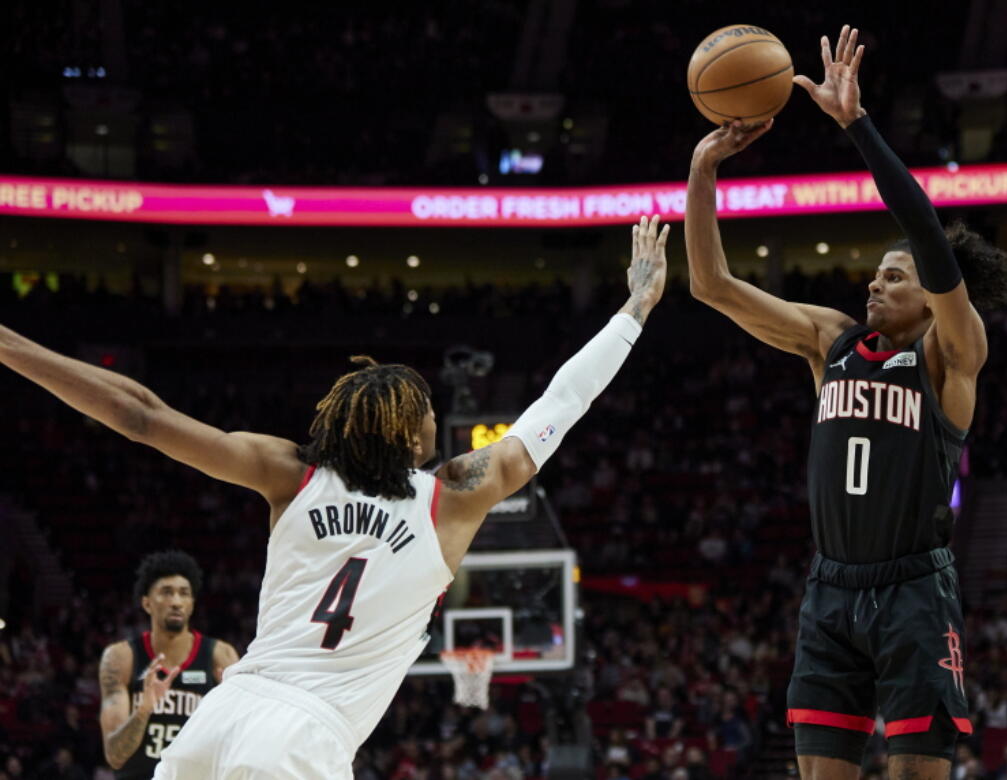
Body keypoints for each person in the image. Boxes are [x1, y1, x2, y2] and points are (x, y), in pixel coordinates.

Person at [0, 215, 671, 778]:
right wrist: (634, 310)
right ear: (412, 437)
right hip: (302, 738)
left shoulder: (290, 472)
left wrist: (8, 343)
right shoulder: (453, 496)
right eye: (430, 413)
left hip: (218, 721)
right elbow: (560, 403)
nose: (437, 422)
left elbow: (140, 415)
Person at [685, 25, 1007, 780]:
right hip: (831, 589)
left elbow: (929, 238)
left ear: (932, 300)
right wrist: (703, 169)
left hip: (913, 591)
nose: (875, 283)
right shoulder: (829, 341)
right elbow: (710, 285)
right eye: (875, 274)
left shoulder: (950, 356)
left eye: (894, 278)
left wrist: (857, 126)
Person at [98, 550, 239, 778]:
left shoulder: (220, 655)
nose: (176, 602)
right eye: (166, 592)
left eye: (184, 593)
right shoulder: (121, 658)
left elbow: (238, 740)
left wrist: (227, 709)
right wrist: (143, 710)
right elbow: (115, 756)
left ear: (192, 603)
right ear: (146, 603)